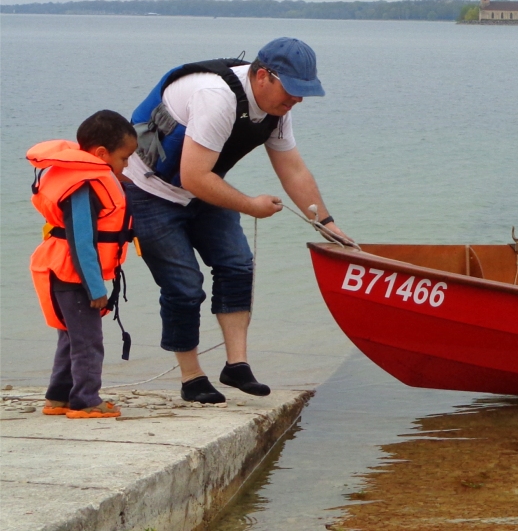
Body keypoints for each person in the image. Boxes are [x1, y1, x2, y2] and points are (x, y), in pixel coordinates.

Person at [124, 38, 351, 404]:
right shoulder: (216, 97)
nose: (298, 99)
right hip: (149, 190)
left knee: (237, 265)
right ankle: (192, 377)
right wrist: (250, 205)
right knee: (184, 287)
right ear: (263, 76)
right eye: (292, 89)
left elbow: (292, 169)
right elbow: (193, 177)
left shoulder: (277, 108)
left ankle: (236, 365)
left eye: (304, 91)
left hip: (203, 184)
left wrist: (325, 222)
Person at [28, 110, 137, 419]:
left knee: (70, 336)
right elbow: (81, 240)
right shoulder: (84, 186)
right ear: (101, 154)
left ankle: (58, 397)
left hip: (60, 270)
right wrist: (95, 288)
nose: (127, 165)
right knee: (88, 340)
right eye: (124, 158)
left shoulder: (81, 177)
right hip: (73, 276)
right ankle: (86, 400)